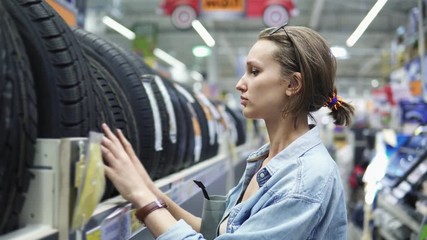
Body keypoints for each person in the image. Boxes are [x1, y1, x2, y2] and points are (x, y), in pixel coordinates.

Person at [101, 23, 355, 239]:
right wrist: (146, 186)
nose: (239, 84)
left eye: (254, 72)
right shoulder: (266, 160)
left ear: (292, 84)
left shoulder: (304, 182)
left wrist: (143, 200)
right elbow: (214, 232)